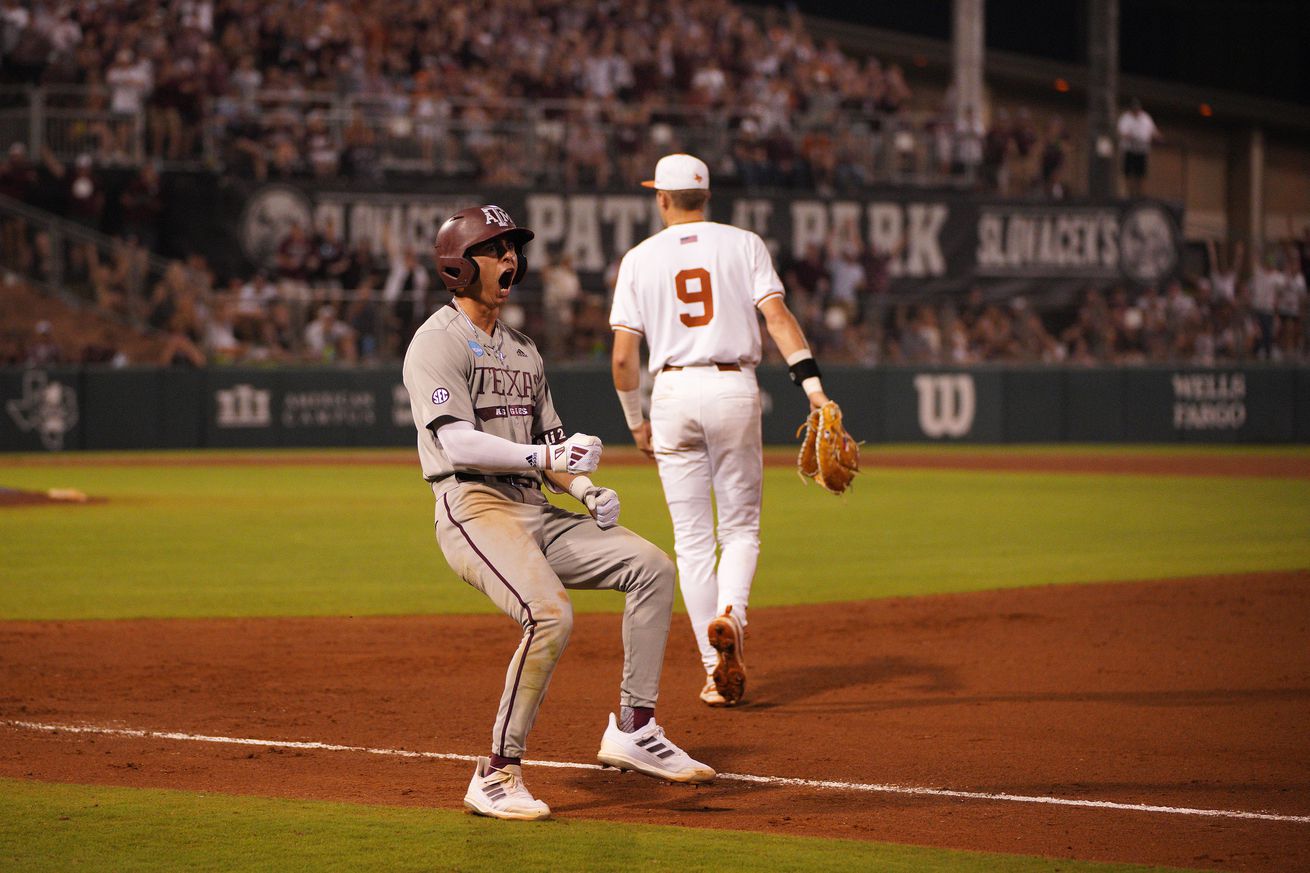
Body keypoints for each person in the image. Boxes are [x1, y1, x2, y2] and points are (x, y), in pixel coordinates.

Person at [402, 204, 714, 822]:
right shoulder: (436, 341)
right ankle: (496, 773)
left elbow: (553, 453)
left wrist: (587, 489)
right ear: (458, 268)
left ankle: (634, 727)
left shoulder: (522, 349)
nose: (511, 258)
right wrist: (542, 453)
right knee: (549, 616)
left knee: (651, 566)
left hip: (534, 506)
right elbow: (458, 442)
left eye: (513, 248)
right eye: (495, 250)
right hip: (473, 505)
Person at [609, 154, 831, 708]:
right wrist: (814, 391)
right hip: (733, 386)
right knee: (740, 531)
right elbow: (777, 318)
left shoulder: (638, 258)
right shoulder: (744, 243)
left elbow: (621, 357)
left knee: (691, 544)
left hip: (673, 393)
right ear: (705, 197)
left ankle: (714, 670)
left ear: (662, 198)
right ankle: (732, 615)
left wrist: (635, 420)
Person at [1117, 98, 1162, 198]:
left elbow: (1153, 131)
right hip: (1129, 149)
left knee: (1141, 174)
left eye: (1137, 109)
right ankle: (1129, 194)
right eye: (1134, 109)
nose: (1136, 111)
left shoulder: (1146, 117)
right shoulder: (1126, 118)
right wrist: (1130, 136)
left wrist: (1158, 136)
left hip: (1142, 150)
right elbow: (1122, 132)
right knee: (1128, 173)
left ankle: (1140, 195)